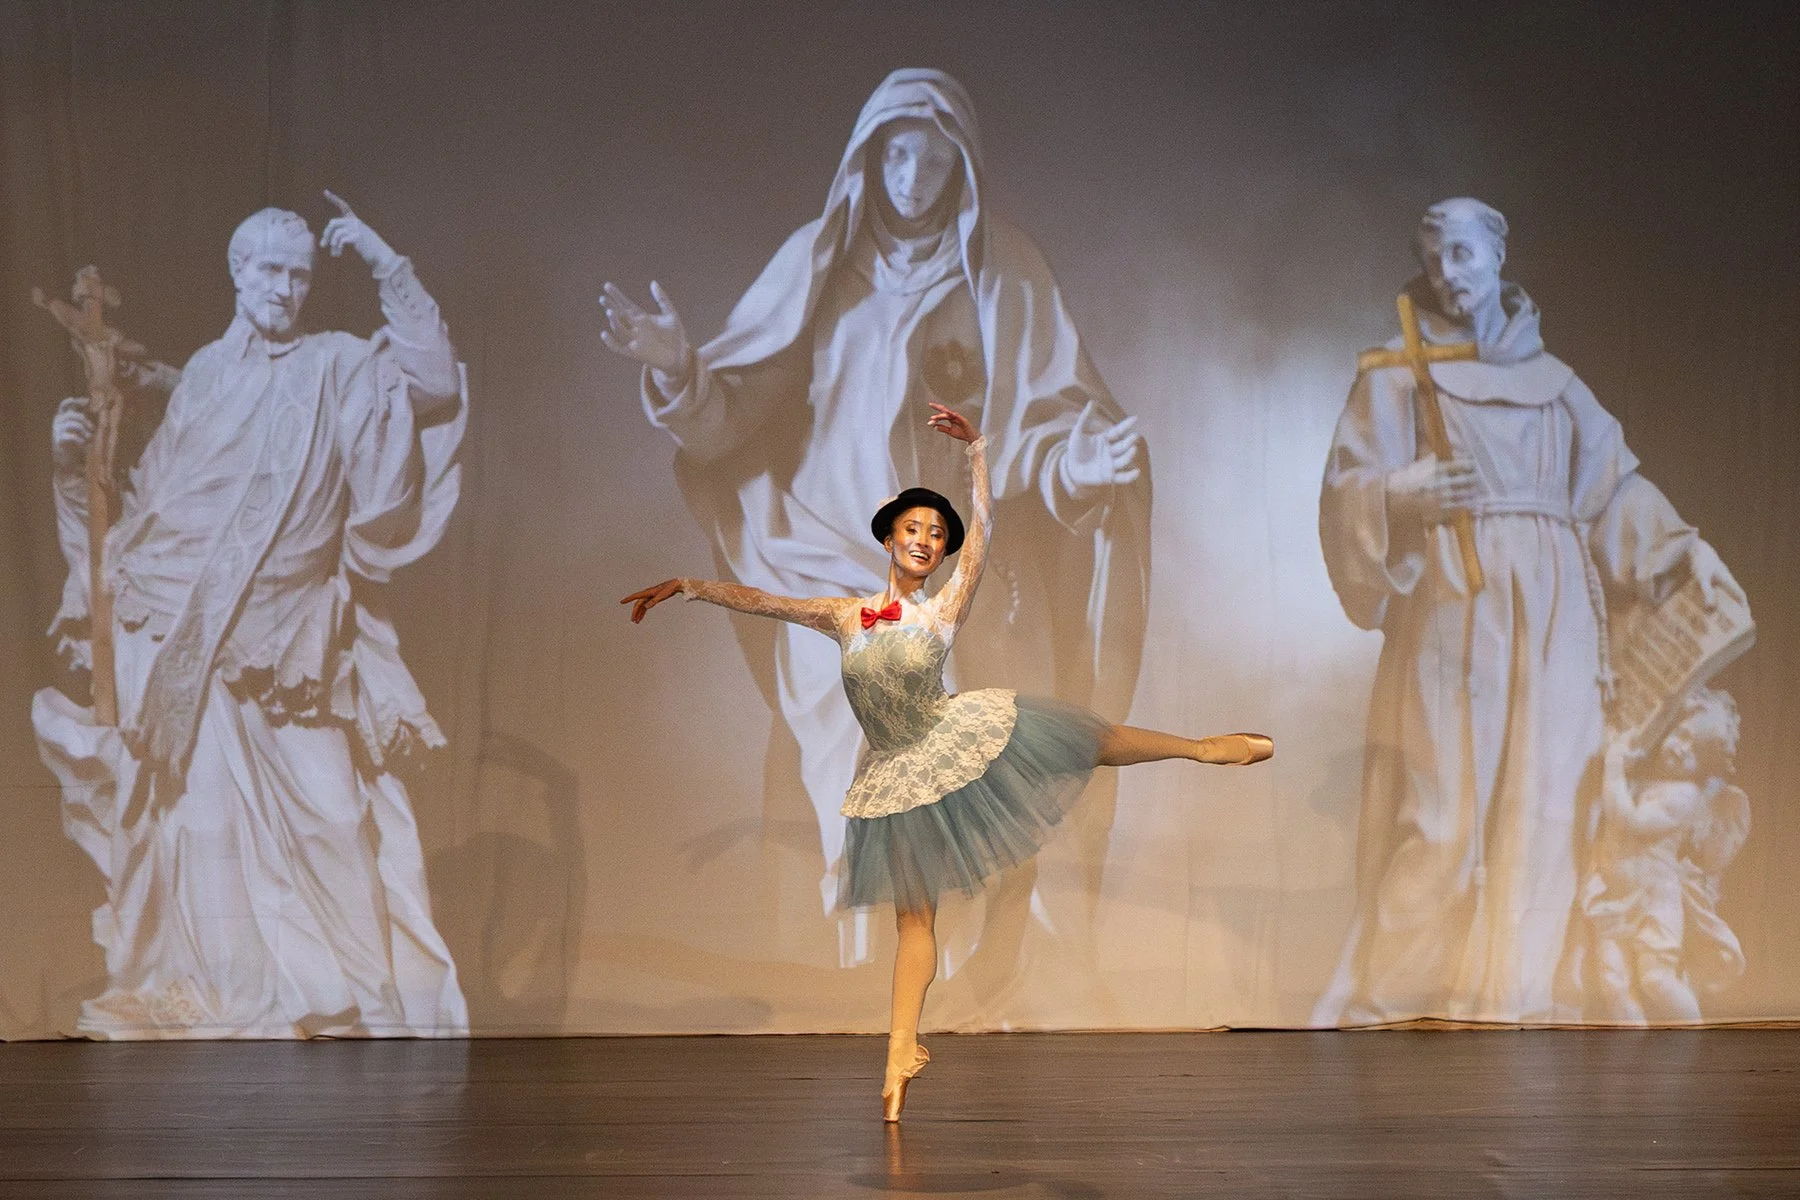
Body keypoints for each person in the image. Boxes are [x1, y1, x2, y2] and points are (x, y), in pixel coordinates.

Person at [600, 69, 1150, 948]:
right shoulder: (816, 262)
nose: (912, 177)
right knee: (847, 741)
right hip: (818, 550)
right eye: (895, 154)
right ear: (867, 158)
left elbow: (1040, 427)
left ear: (959, 166)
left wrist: (1078, 464)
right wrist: (679, 369)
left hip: (946, 565)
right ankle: (864, 956)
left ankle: (953, 963)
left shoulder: (1002, 274)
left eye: (932, 158)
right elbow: (729, 414)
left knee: (966, 755)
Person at [623, 403, 1269, 1120]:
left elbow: (984, 533)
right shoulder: (846, 615)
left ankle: (1199, 747)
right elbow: (767, 601)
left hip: (949, 740)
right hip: (895, 774)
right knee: (913, 922)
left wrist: (980, 453)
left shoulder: (943, 609)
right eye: (914, 530)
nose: (926, 541)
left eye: (935, 534)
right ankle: (903, 1048)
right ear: (891, 539)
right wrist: (689, 586)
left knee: (1082, 740)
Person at [33, 193, 468, 1037]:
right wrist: (68, 467)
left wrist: (386, 264)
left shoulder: (338, 363)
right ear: (238, 275)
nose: (286, 288)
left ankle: (369, 1007)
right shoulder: (203, 376)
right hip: (185, 640)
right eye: (270, 270)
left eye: (300, 275)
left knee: (336, 819)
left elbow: (433, 381)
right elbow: (152, 510)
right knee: (203, 835)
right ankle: (234, 999)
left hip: (285, 641)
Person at [1313, 197, 1744, 1025]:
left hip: (1557, 621)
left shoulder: (1557, 387)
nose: (1450, 273)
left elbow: (1614, 491)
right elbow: (1346, 496)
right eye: (1436, 258)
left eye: (1465, 254)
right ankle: (1399, 999)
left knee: (1548, 810)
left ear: (1500, 256)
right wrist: (1399, 496)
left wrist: (1681, 550)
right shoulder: (1398, 375)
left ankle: (1512, 994)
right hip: (1452, 610)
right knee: (1441, 819)